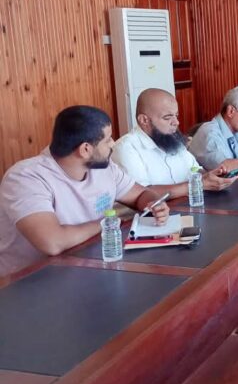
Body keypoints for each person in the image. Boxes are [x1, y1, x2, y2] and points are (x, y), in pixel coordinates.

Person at [0, 106, 170, 277]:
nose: (113, 144)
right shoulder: (25, 178)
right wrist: (107, 223)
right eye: (108, 139)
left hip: (89, 268)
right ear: (85, 149)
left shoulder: (103, 167)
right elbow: (53, 242)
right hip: (29, 282)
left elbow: (140, 194)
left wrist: (154, 203)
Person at [113, 89, 237, 199]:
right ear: (144, 120)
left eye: (176, 116)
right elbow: (142, 194)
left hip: (187, 207)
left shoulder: (172, 140)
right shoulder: (126, 148)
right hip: (152, 215)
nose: (176, 122)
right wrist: (198, 184)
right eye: (167, 118)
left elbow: (195, 170)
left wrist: (212, 177)